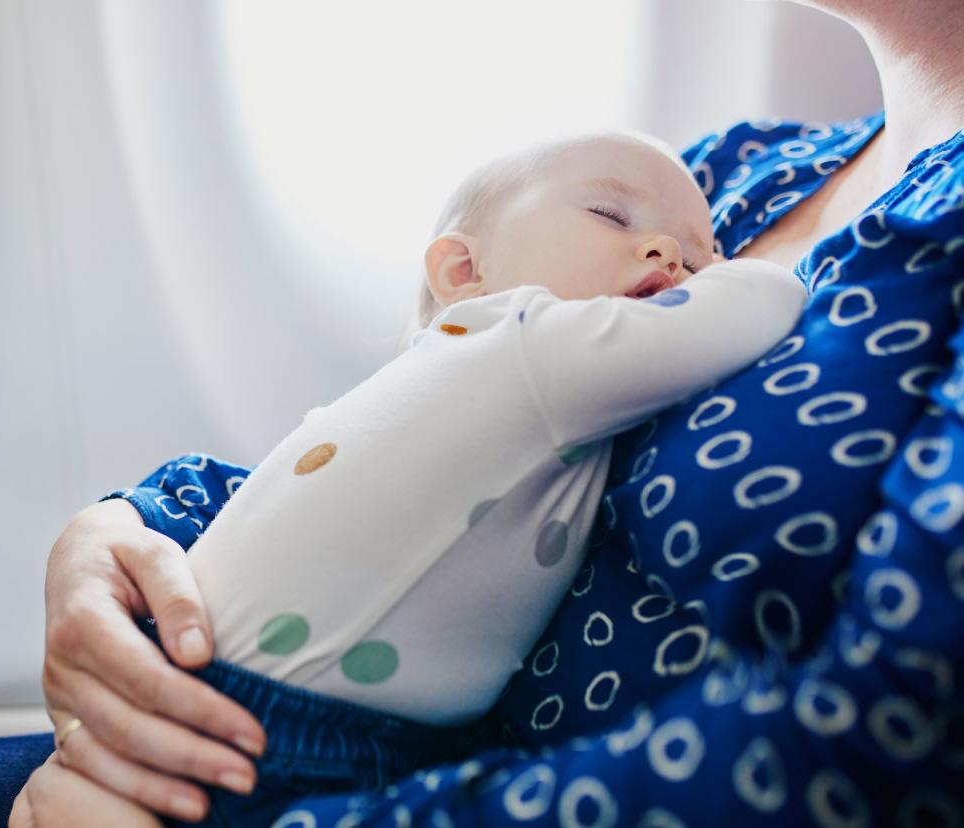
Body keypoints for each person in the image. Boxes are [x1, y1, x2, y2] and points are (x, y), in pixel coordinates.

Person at [0, 1, 958, 826]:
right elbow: (411, 432)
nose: (663, 261)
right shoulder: (734, 179)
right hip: (292, 714)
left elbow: (881, 740)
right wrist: (129, 533)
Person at [77, 132, 803, 826]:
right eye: (611, 215)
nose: (671, 254)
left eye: (702, 261)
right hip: (288, 732)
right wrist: (751, 272)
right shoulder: (527, 344)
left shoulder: (444, 373)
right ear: (462, 272)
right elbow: (754, 306)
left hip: (213, 683)